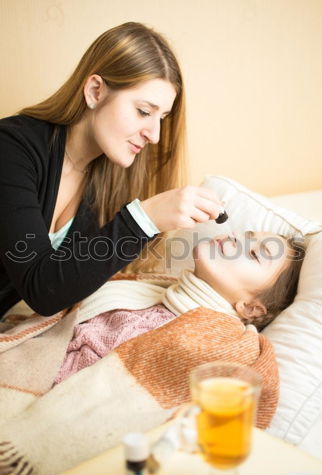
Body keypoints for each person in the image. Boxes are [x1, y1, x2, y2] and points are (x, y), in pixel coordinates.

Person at [0, 22, 225, 319]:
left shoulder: (107, 179)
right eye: (144, 111)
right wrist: (144, 219)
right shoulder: (11, 147)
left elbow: (65, 282)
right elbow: (42, 289)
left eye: (163, 117)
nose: (154, 135)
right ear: (95, 91)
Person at [54, 230, 305, 384]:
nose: (234, 237)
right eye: (246, 234)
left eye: (253, 254)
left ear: (250, 308)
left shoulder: (209, 345)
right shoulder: (150, 291)